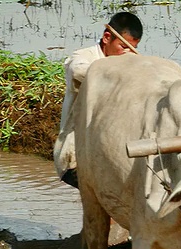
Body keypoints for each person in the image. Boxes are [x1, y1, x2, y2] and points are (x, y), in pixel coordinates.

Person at [54, 12, 143, 188]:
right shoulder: (83, 59)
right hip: (77, 155)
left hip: (113, 154)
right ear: (106, 37)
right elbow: (78, 71)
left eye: (132, 48)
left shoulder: (128, 63)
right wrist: (124, 75)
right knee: (114, 201)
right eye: (123, 46)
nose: (128, 53)